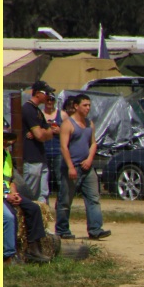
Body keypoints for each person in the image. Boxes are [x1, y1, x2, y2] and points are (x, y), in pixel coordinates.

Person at [56, 94, 112, 240]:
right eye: (85, 105)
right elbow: (64, 146)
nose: (88, 108)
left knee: (93, 198)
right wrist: (70, 167)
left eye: (89, 105)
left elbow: (93, 143)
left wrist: (89, 159)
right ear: (76, 106)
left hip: (87, 167)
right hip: (72, 167)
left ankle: (95, 229)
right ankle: (62, 229)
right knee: (65, 200)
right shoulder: (68, 124)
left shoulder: (89, 124)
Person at [3, 128, 50, 263]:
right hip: (3, 196)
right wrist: (6, 197)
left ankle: (33, 249)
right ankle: (9, 255)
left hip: (7, 193)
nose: (6, 142)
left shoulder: (7, 156)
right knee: (10, 216)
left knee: (34, 208)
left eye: (7, 138)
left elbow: (10, 179)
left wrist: (14, 193)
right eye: (3, 138)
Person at [22, 80, 59, 204]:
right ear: (37, 93)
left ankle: (40, 222)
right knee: (30, 194)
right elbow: (40, 135)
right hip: (31, 158)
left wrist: (43, 132)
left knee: (42, 196)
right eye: (46, 93)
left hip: (40, 157)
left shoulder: (38, 111)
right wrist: (43, 132)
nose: (48, 96)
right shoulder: (28, 109)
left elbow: (48, 133)